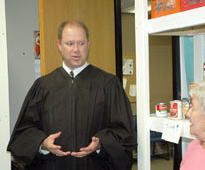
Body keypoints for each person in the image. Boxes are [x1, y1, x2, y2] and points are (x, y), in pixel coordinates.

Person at [7, 20, 137, 170]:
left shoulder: (108, 84)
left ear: (88, 44)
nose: (76, 49)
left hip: (95, 165)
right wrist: (42, 143)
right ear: (59, 45)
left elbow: (124, 132)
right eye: (69, 43)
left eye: (81, 43)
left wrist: (101, 143)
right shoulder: (43, 86)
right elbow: (24, 131)